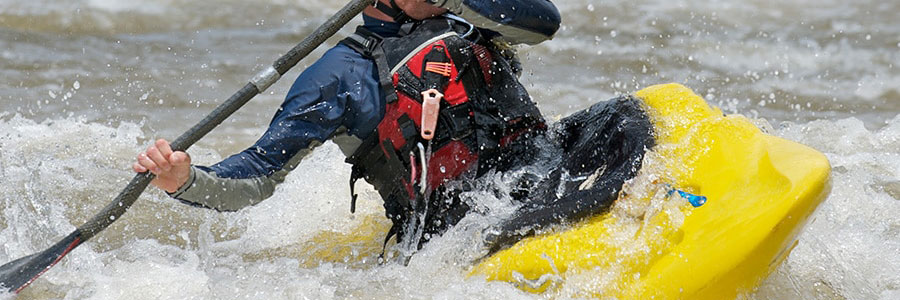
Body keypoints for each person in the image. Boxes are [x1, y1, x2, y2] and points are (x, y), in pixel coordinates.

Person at [134, 0, 654, 256]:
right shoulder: (337, 78)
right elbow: (259, 174)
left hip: (539, 169)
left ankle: (604, 196)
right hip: (462, 224)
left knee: (625, 113)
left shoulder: (467, 16)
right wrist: (185, 179)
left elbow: (544, 22)